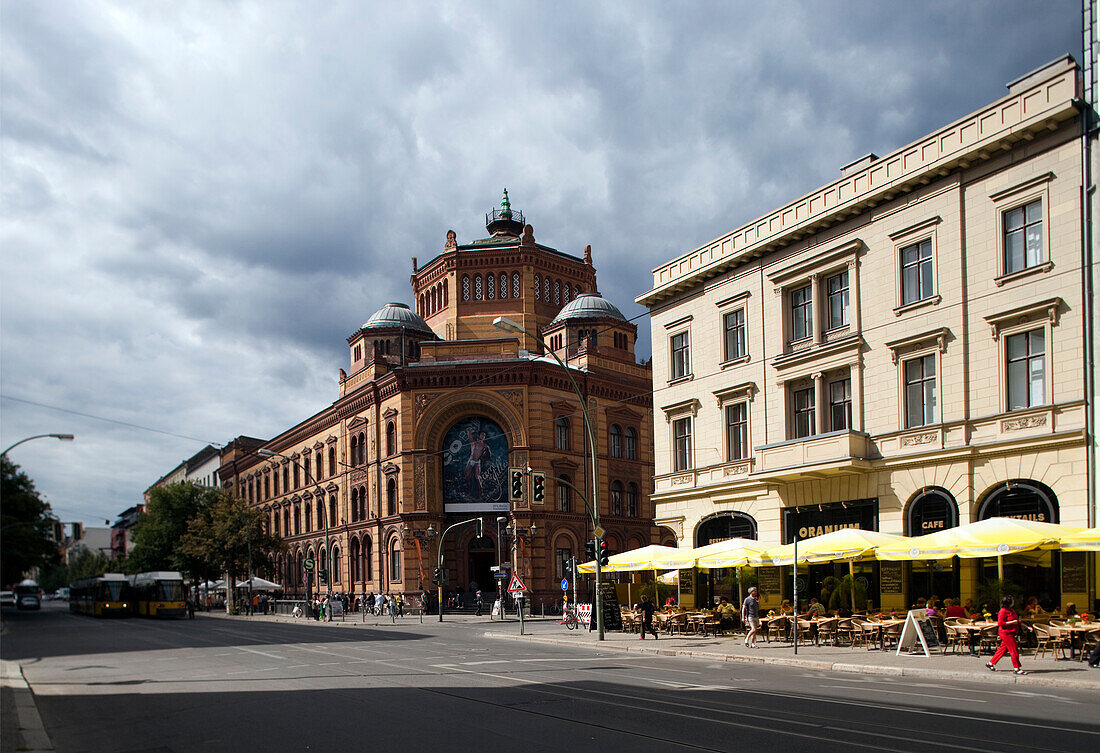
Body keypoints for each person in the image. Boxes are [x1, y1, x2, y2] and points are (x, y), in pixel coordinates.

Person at [986, 595, 1027, 675]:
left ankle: (991, 663)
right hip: (1006, 633)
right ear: (1009, 602)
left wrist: (1027, 627)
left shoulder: (1011, 610)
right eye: (1012, 600)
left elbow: (1017, 621)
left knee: (1003, 649)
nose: (1014, 601)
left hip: (1011, 632)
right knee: (1014, 650)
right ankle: (1016, 668)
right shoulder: (1003, 611)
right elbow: (1000, 623)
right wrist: (1012, 622)